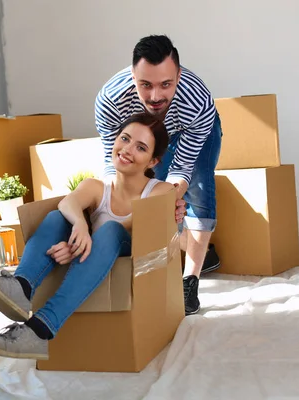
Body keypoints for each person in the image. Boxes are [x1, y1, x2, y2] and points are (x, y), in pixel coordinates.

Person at [0, 112, 178, 360]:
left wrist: (78, 246)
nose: (127, 150)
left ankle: (41, 328)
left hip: (130, 256)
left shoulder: (161, 191)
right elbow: (69, 203)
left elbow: (137, 230)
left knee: (111, 230)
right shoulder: (96, 186)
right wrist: (80, 226)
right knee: (60, 217)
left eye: (140, 147)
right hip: (93, 259)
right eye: (125, 138)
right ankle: (22, 287)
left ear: (153, 162)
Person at [94, 34, 222, 315]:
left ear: (179, 73)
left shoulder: (196, 100)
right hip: (151, 138)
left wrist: (171, 197)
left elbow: (183, 168)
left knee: (197, 192)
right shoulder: (110, 101)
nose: (155, 96)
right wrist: (114, 202)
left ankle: (190, 280)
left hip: (194, 131)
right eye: (145, 85)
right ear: (132, 76)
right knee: (149, 190)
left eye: (166, 84)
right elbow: (114, 160)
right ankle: (202, 251)